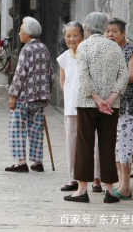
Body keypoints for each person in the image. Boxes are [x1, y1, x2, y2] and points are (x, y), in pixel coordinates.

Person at [63, 12, 128, 203]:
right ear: (104, 26)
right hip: (111, 105)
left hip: (87, 103)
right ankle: (109, 190)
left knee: (84, 145)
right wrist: (110, 98)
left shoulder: (83, 47)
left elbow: (84, 76)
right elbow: (123, 76)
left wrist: (97, 99)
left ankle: (82, 190)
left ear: (88, 27)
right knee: (108, 145)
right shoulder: (115, 47)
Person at [57, 22, 102, 192]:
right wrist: (68, 94)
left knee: (94, 141)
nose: (71, 39)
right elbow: (63, 80)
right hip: (71, 106)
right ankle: (72, 178)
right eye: (68, 36)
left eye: (75, 35)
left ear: (83, 36)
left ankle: (96, 179)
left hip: (89, 105)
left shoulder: (89, 54)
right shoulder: (64, 58)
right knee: (71, 143)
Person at [5, 17, 53, 173]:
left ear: (28, 33)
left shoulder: (26, 49)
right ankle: (37, 162)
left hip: (24, 97)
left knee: (17, 129)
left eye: (21, 29)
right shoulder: (44, 48)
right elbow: (50, 73)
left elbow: (20, 75)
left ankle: (21, 163)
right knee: (36, 130)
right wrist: (47, 95)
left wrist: (12, 96)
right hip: (39, 98)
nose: (19, 32)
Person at [106, 18, 133, 200]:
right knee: (117, 146)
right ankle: (121, 183)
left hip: (128, 106)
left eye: (114, 31)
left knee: (125, 146)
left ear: (123, 34)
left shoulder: (129, 50)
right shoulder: (114, 51)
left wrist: (116, 77)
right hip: (117, 106)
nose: (110, 34)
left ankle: (126, 187)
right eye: (108, 31)